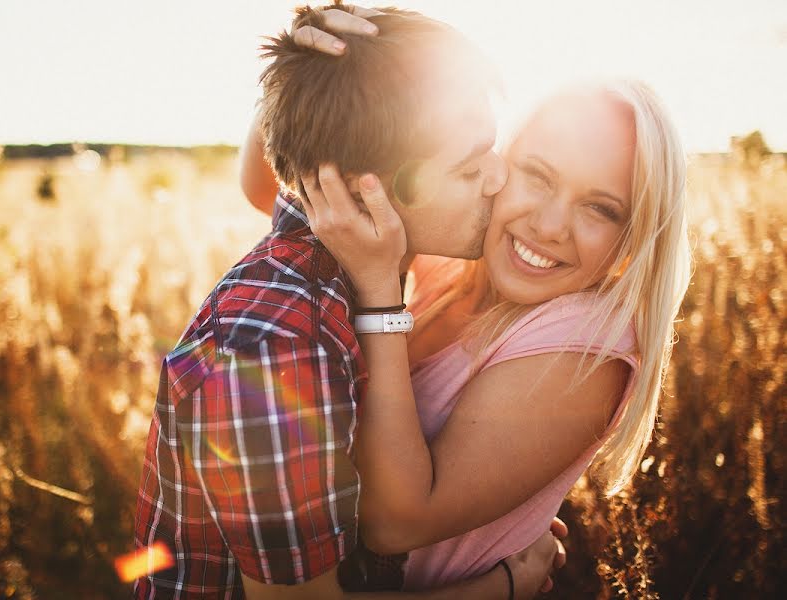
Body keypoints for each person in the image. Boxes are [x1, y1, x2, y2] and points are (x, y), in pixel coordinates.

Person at [133, 4, 565, 599]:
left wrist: (313, 70)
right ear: (365, 191)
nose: (499, 178)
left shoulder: (359, 267)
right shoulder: (271, 348)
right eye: (469, 169)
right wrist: (509, 583)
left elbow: (271, 176)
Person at [290, 14, 691, 592]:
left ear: (633, 239)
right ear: (495, 160)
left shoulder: (585, 346)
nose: (550, 225)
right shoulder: (460, 255)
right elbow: (293, 191)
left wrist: (378, 295)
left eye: (601, 209)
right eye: (538, 175)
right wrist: (321, 60)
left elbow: (395, 521)